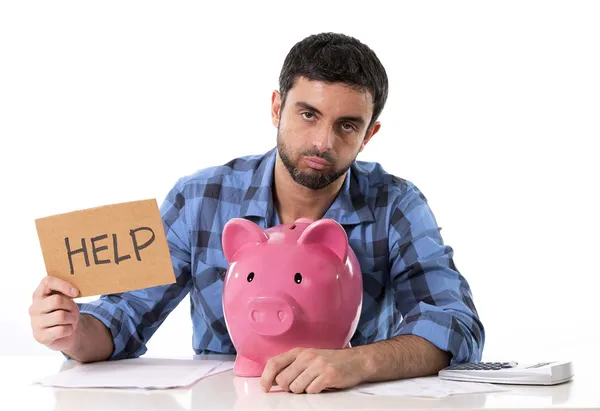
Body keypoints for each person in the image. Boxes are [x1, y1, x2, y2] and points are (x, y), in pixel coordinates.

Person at [29, 32, 484, 394]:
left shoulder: (396, 205)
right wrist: (71, 333)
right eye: (308, 114)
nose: (323, 143)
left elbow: (457, 323)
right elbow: (124, 318)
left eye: (347, 126)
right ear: (276, 107)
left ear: (369, 135)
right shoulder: (200, 198)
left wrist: (358, 362)